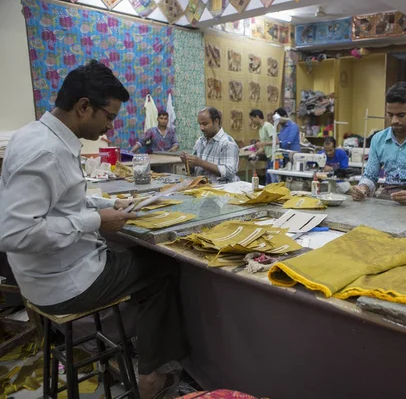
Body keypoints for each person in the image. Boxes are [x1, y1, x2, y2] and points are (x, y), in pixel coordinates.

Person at [0, 60, 186, 399]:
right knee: (164, 268)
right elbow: (15, 234)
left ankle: (134, 348)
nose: (110, 128)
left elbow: (63, 203)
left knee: (126, 253)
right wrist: (97, 221)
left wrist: (103, 208)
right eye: (110, 117)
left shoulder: (36, 135)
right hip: (60, 284)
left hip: (43, 276)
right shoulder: (45, 151)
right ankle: (150, 375)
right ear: (84, 107)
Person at [180, 107, 240, 183]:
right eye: (200, 124)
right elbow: (193, 170)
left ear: (216, 121)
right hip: (201, 188)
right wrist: (187, 162)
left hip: (220, 190)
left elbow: (229, 173)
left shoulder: (227, 143)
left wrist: (201, 163)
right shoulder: (200, 141)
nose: (201, 128)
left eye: (205, 124)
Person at [249, 109, 278, 183]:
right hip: (269, 158)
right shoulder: (260, 129)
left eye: (252, 119)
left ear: (257, 117)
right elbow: (263, 148)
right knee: (268, 181)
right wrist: (254, 154)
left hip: (275, 158)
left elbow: (276, 141)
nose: (252, 122)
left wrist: (262, 143)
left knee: (274, 182)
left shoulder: (267, 126)